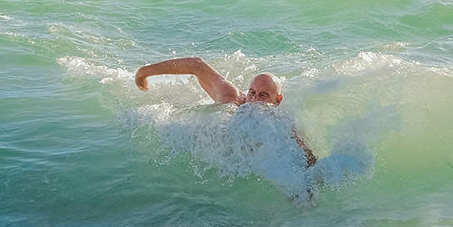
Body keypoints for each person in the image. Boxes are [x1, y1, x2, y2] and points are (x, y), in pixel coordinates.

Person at [134, 56, 317, 166]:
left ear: (278, 100)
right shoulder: (232, 99)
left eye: (263, 96)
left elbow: (308, 158)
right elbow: (196, 65)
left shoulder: (283, 124)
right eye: (252, 93)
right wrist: (143, 73)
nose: (254, 101)